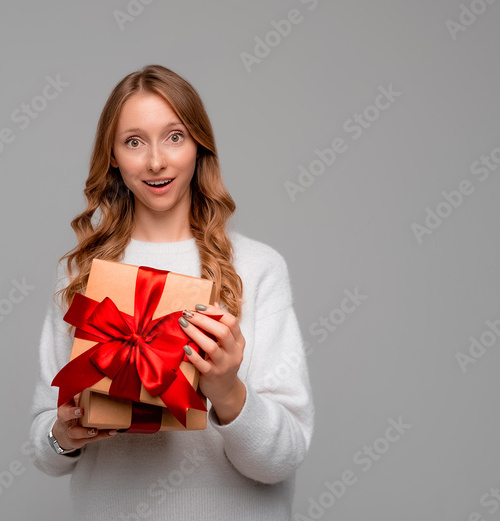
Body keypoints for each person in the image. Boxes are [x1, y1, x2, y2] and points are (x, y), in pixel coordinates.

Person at [26, 64, 315, 520]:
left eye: (174, 136)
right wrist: (63, 434)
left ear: (199, 146)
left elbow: (282, 459)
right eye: (134, 141)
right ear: (114, 157)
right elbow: (45, 446)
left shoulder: (258, 269)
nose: (156, 161)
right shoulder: (79, 274)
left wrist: (226, 390)